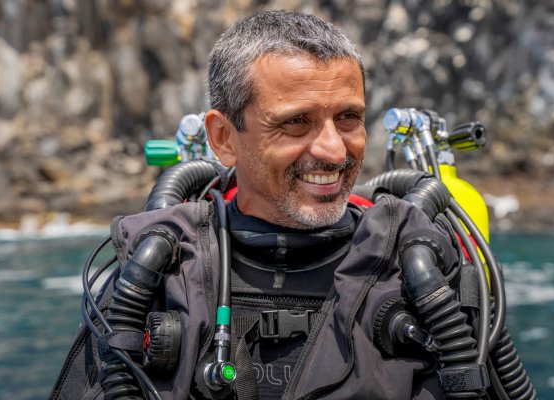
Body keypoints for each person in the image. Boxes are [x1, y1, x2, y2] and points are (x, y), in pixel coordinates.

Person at [51, 10, 463, 400]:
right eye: (296, 122)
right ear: (223, 138)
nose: (334, 150)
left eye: (348, 118)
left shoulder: (420, 271)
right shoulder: (154, 277)